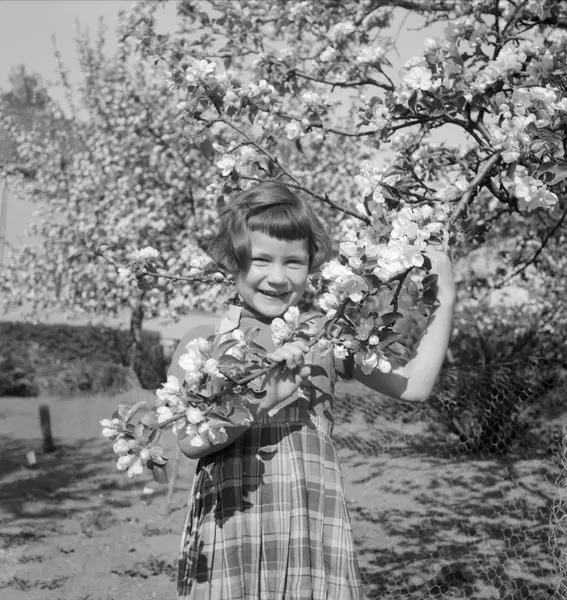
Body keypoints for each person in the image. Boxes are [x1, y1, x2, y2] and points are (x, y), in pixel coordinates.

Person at [169, 181, 456, 600]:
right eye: (261, 259)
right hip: (232, 528)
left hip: (309, 527)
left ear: (311, 264)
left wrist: (444, 293)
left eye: (294, 262)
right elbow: (191, 442)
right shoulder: (204, 344)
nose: (277, 277)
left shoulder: (325, 337)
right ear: (233, 260)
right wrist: (265, 398)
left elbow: (415, 386)